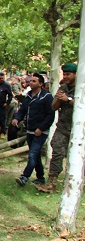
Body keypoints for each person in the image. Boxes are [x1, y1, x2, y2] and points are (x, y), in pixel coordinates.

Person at [38, 63, 78, 193]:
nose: (65, 76)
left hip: (79, 129)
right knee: (57, 152)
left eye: (68, 74)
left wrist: (68, 99)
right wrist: (60, 99)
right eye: (64, 74)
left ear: (76, 74)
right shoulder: (63, 88)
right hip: (62, 126)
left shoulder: (81, 88)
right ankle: (52, 182)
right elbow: (53, 107)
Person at [13, 73, 54, 188]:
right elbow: (22, 110)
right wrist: (17, 118)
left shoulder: (47, 97)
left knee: (32, 154)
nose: (31, 83)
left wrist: (41, 128)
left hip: (41, 131)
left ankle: (24, 177)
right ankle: (40, 178)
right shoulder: (28, 96)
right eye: (30, 81)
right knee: (35, 156)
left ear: (41, 84)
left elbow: (50, 115)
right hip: (30, 130)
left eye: (34, 81)